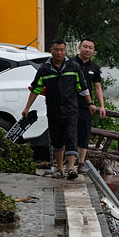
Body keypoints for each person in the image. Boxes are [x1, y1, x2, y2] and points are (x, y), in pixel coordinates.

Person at [22, 38, 94, 180]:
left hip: (71, 109)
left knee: (71, 136)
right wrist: (27, 107)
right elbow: (35, 89)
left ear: (65, 51)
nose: (59, 52)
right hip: (54, 110)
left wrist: (90, 103)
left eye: (62, 50)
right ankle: (60, 169)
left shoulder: (73, 67)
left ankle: (72, 168)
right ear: (51, 51)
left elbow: (82, 87)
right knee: (57, 139)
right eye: (56, 50)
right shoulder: (45, 69)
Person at [73, 37, 105, 174]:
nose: (87, 50)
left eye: (90, 48)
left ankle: (81, 163)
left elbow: (97, 87)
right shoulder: (70, 63)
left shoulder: (94, 67)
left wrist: (101, 106)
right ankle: (67, 163)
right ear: (79, 47)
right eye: (85, 46)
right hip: (70, 104)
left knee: (84, 134)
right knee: (69, 133)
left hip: (87, 106)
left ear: (93, 51)